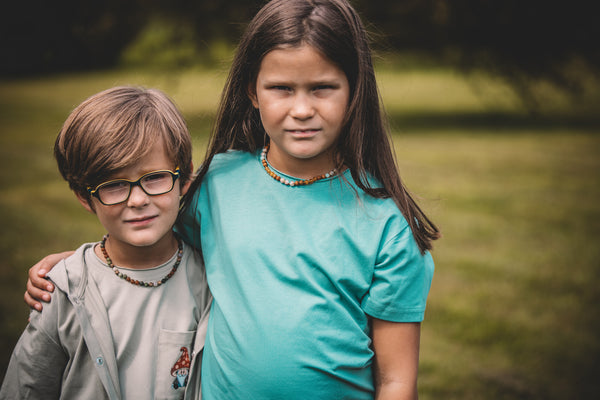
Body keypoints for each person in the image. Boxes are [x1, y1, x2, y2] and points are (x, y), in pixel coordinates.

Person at [25, 0, 440, 399]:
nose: (301, 109)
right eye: (280, 88)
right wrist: (82, 267)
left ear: (354, 91)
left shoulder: (386, 225)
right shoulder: (219, 181)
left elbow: (397, 382)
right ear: (253, 92)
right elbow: (156, 240)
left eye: (322, 88)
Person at [4, 86, 212, 400]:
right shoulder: (64, 291)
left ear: (184, 180)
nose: (138, 200)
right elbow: (25, 389)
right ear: (85, 197)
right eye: (114, 184)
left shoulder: (210, 280)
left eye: (154, 177)